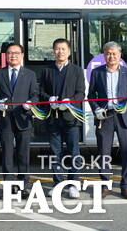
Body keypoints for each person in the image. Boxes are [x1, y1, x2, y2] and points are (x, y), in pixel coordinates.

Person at [88, 42, 127, 200]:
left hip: (124, 116)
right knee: (104, 153)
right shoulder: (97, 73)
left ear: (120, 55)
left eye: (114, 53)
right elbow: (91, 95)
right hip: (105, 117)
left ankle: (126, 186)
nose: (111, 56)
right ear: (104, 55)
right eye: (108, 53)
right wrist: (96, 109)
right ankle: (105, 185)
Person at [0, 43, 38, 199]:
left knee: (23, 154)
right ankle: (8, 186)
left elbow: (35, 95)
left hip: (24, 118)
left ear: (22, 55)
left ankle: (23, 185)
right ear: (6, 55)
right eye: (10, 53)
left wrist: (30, 103)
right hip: (5, 119)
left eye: (16, 53)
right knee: (7, 154)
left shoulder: (30, 74)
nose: (13, 55)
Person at [39, 38, 86, 199]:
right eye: (57, 49)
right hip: (53, 118)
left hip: (71, 118)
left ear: (69, 51)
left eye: (63, 49)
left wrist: (70, 102)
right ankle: (57, 183)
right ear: (53, 51)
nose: (60, 52)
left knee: (74, 152)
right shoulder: (47, 70)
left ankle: (73, 184)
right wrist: (49, 99)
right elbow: (41, 92)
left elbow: (81, 93)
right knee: (55, 152)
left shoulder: (77, 70)